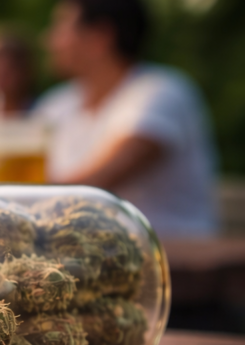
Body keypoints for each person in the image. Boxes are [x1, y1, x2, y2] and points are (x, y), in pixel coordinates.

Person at [36, 0, 218, 237]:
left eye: (61, 27)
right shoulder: (57, 104)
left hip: (169, 253)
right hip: (88, 251)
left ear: (101, 37)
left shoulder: (160, 92)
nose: (48, 40)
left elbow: (93, 186)